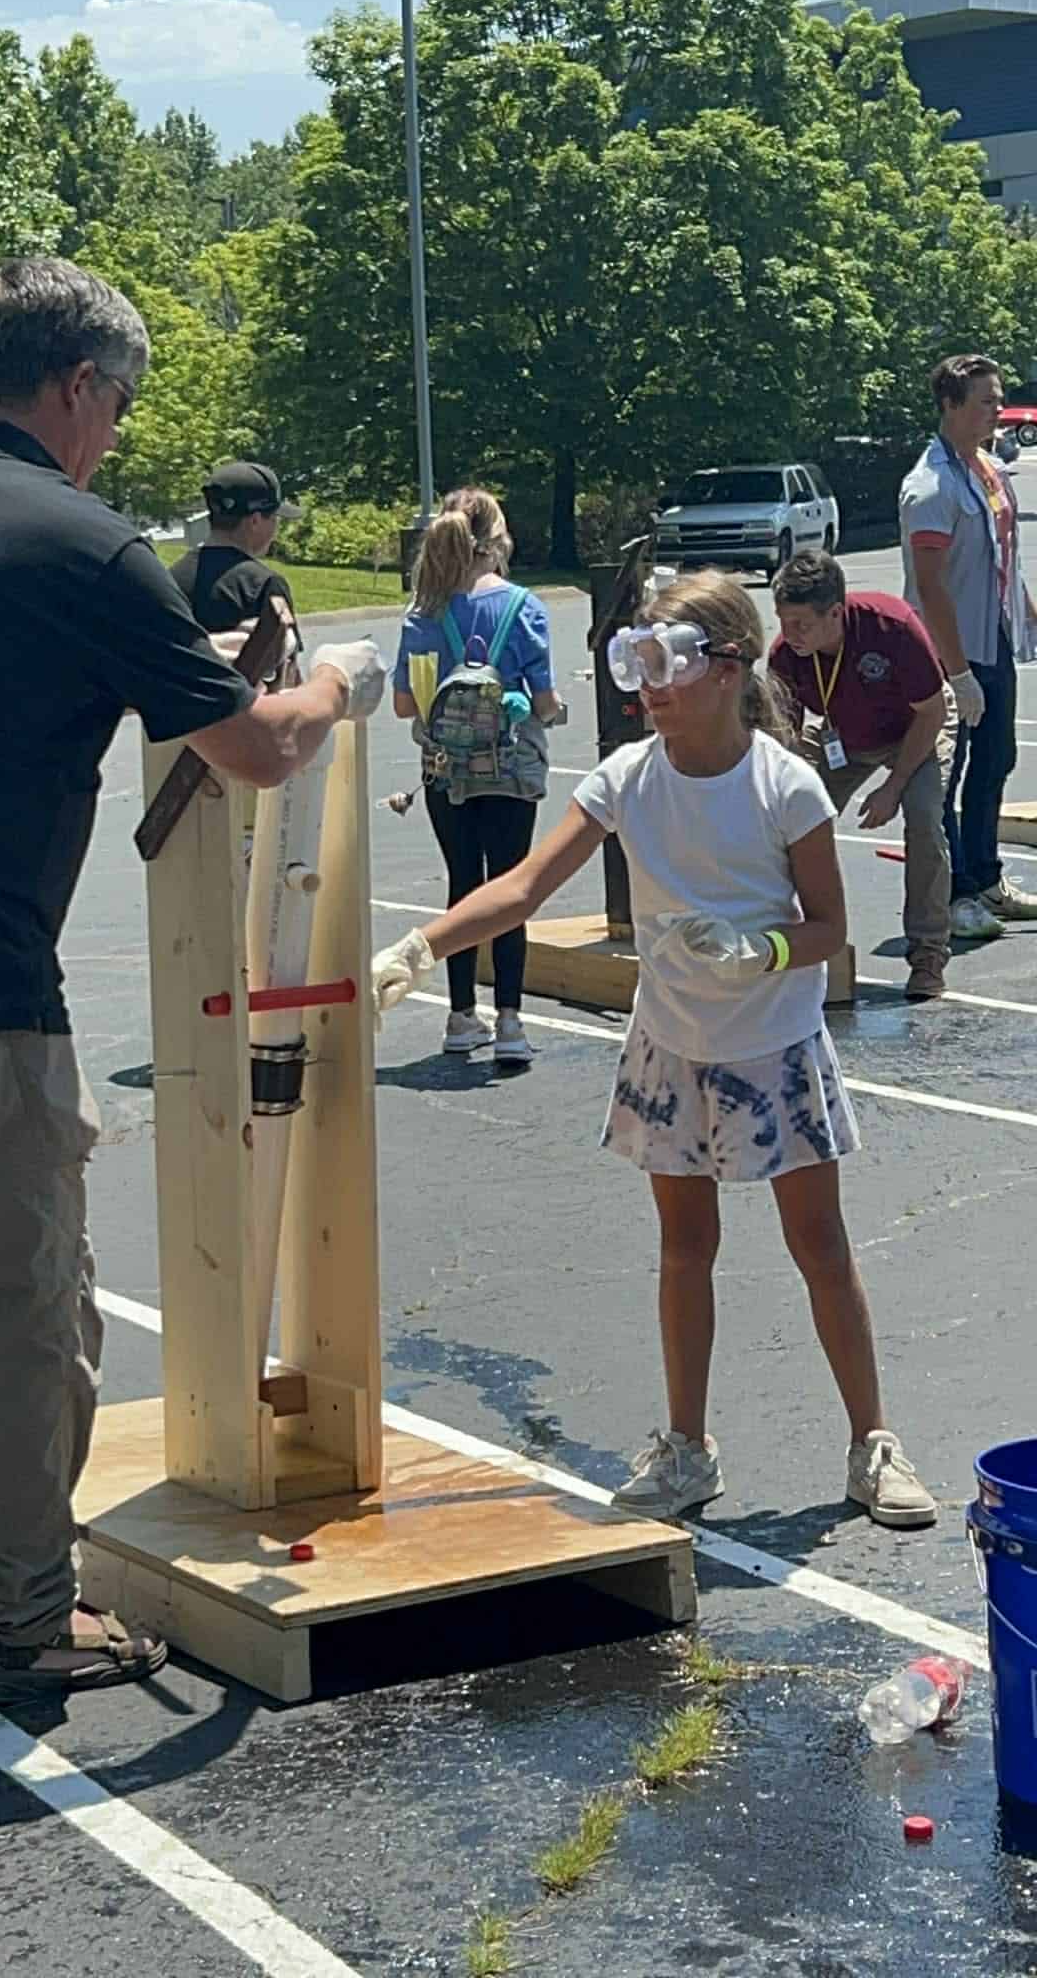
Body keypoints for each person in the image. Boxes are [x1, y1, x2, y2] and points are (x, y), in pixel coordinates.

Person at [0, 257, 385, 1700]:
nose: (115, 435)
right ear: (78, 389)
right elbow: (255, 746)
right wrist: (331, 688)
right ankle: (24, 1617)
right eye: (119, 405)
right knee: (34, 1316)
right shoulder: (82, 543)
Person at [373, 571, 937, 1529]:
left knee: (822, 1247)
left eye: (667, 663)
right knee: (685, 1250)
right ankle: (687, 1449)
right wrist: (422, 946)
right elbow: (521, 888)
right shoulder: (627, 778)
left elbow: (832, 929)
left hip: (775, 1045)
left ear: (728, 669)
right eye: (638, 663)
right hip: (672, 1047)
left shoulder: (784, 784)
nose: (649, 687)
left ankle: (871, 1442)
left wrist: (759, 950)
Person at [392, 488, 564, 1064]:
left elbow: (402, 704)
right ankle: (511, 1022)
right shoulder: (524, 607)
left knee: (463, 885)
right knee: (510, 889)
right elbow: (544, 701)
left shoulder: (423, 613)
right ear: (496, 541)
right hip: (510, 765)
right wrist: (548, 709)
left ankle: (461, 1016)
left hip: (446, 768)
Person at [770, 550, 953, 1001]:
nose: (791, 634)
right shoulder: (786, 655)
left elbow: (932, 713)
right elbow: (782, 734)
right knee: (780, 815)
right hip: (842, 737)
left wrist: (892, 788)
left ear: (836, 612)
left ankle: (928, 952)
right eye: (783, 621)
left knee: (925, 820)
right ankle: (788, 941)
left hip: (914, 732)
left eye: (802, 625)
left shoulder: (892, 628)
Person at [901, 353, 1037, 942]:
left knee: (996, 760)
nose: (997, 412)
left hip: (994, 643)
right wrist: (957, 674)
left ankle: (985, 878)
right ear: (950, 405)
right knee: (947, 776)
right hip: (949, 655)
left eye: (998, 399)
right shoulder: (930, 485)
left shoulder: (986, 469)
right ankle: (955, 896)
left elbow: (1003, 560)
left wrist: (1028, 618)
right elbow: (930, 587)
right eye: (985, 401)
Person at [170, 460, 300, 683]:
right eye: (275, 519)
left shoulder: (170, 578)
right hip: (247, 714)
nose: (276, 530)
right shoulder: (266, 585)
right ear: (255, 520)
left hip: (175, 714)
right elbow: (287, 675)